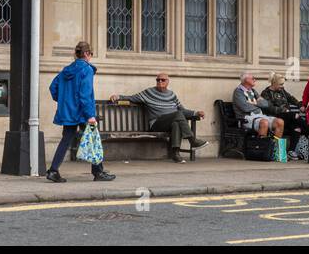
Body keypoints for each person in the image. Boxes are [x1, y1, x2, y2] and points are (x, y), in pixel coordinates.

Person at [46, 41, 115, 183]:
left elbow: (53, 87)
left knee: (66, 140)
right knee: (93, 138)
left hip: (68, 112)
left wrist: (64, 100)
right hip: (82, 113)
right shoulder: (87, 70)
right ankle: (98, 172)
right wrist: (90, 115)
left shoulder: (66, 70)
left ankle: (53, 171)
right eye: (90, 54)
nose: (90, 57)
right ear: (86, 54)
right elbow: (85, 94)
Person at [110, 73, 208, 163]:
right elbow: (131, 98)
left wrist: (196, 112)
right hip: (157, 123)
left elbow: (182, 110)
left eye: (162, 80)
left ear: (168, 82)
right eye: (158, 80)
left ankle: (175, 154)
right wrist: (118, 96)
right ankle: (192, 140)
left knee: (176, 123)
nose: (160, 82)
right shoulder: (148, 93)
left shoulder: (172, 95)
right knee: (177, 115)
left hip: (171, 122)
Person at [261, 72, 307, 146]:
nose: (282, 86)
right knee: (294, 115)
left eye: (283, 84)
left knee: (296, 128)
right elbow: (269, 108)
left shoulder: (282, 91)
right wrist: (283, 110)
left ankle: (291, 151)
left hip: (287, 117)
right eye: (281, 84)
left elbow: (291, 98)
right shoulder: (266, 93)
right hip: (276, 117)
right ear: (274, 83)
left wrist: (300, 105)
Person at [233, 72, 285, 138]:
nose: (255, 80)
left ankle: (276, 147)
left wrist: (254, 103)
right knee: (264, 122)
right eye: (253, 78)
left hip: (259, 116)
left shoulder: (253, 91)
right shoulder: (238, 92)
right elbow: (245, 107)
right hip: (245, 119)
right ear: (246, 80)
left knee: (279, 122)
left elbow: (265, 104)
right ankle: (261, 147)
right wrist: (258, 105)